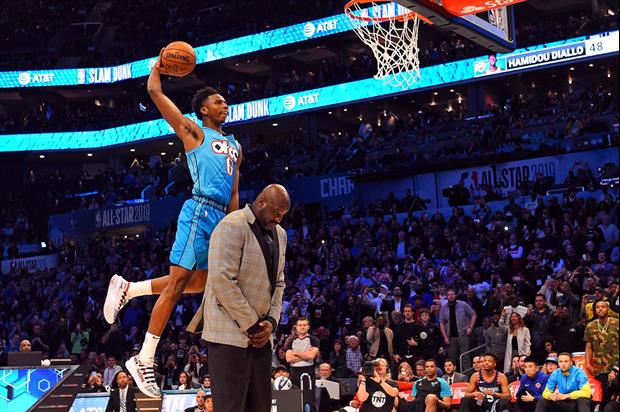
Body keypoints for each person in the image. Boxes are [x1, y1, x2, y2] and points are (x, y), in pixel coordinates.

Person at [103, 54, 242, 398]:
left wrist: (233, 228)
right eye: (217, 101)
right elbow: (155, 92)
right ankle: (144, 357)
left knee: (201, 283)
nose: (224, 104)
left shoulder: (236, 146)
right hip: (198, 210)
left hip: (220, 218)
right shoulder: (193, 131)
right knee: (179, 283)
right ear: (204, 110)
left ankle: (130, 289)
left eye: (224, 100)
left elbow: (235, 191)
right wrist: (158, 68)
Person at [187, 184, 290, 412]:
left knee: (260, 406)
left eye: (282, 215)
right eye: (276, 212)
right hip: (229, 335)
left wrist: (271, 324)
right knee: (231, 407)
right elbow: (222, 281)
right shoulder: (231, 226)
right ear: (261, 202)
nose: (278, 219)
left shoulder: (280, 235)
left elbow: (279, 282)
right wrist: (253, 326)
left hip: (261, 337)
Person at [585, 300, 619, 407]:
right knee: (604, 397)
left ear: (607, 309)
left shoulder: (617, 322)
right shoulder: (590, 326)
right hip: (600, 367)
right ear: (594, 310)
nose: (600, 309)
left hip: (617, 365)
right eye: (598, 307)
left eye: (603, 307)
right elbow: (589, 347)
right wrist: (588, 364)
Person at [439, 290, 477, 372]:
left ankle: (469, 377)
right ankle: (453, 380)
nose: (451, 296)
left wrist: (470, 327)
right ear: (446, 297)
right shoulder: (444, 308)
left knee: (465, 357)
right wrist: (445, 337)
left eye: (452, 294)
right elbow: (441, 322)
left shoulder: (463, 304)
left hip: (463, 335)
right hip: (451, 337)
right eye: (449, 295)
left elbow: (473, 314)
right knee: (451, 359)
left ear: (455, 295)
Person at [286, 316, 320, 387]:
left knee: (309, 396)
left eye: (304, 325)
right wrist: (306, 355)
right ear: (296, 327)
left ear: (308, 327)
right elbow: (289, 359)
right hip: (294, 372)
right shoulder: (291, 341)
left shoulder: (314, 339)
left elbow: (311, 356)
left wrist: (295, 352)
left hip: (309, 371)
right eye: (300, 325)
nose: (302, 327)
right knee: (295, 395)